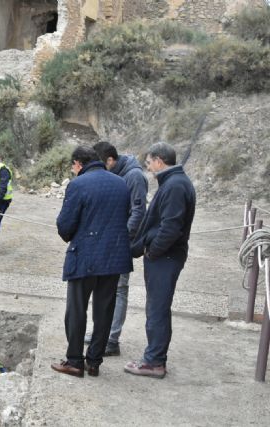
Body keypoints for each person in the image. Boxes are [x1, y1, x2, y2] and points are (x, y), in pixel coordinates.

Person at [51, 145, 132, 378]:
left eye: (73, 166)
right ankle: (94, 362)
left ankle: (75, 361)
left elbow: (65, 226)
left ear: (78, 164)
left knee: (76, 310)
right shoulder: (121, 183)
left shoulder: (78, 184)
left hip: (85, 255)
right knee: (104, 311)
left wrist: (73, 234)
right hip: (115, 256)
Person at [124, 142, 195, 379]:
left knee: (157, 309)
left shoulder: (175, 185)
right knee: (157, 308)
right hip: (165, 255)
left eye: (149, 163)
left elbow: (170, 227)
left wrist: (153, 251)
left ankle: (154, 362)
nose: (149, 168)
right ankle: (154, 358)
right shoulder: (175, 182)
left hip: (165, 257)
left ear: (159, 161)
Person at [87, 141, 148, 356]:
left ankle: (111, 339)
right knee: (104, 287)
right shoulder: (118, 174)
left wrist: (122, 238)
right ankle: (100, 333)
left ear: (110, 161)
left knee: (119, 289)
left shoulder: (133, 177)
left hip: (121, 243)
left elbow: (139, 212)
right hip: (109, 240)